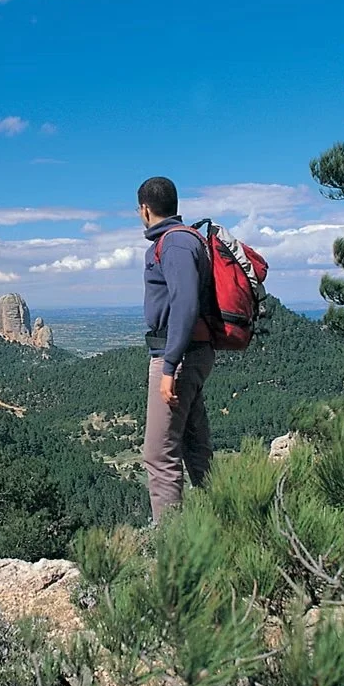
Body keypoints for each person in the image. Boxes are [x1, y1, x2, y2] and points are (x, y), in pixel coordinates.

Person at [137, 176, 215, 524]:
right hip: (189, 353)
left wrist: (169, 366)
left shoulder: (175, 244)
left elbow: (184, 304)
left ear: (145, 209)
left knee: (159, 455)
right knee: (194, 446)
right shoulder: (183, 240)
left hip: (177, 356)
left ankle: (170, 542)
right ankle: (225, 518)